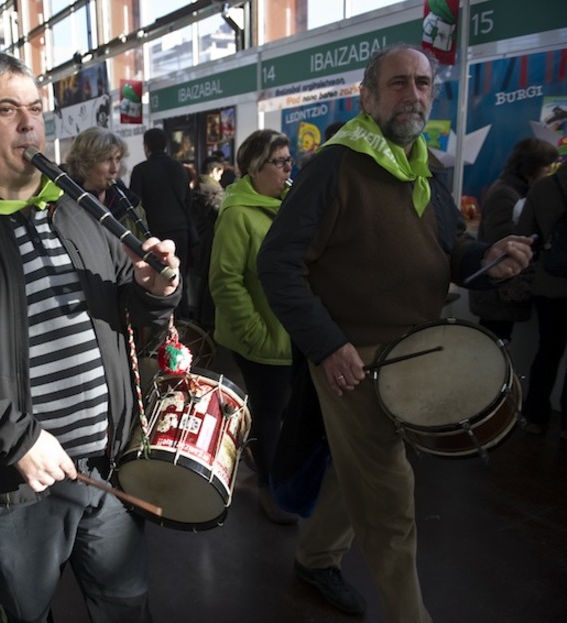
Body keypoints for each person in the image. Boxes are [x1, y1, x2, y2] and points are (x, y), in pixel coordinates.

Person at [0, 53, 180, 623]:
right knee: (29, 610)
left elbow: (135, 316)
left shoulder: (79, 210)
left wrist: (153, 288)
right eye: (7, 110)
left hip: (107, 462)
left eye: (36, 110)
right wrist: (15, 439)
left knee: (126, 602)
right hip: (18, 480)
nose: (29, 124)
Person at [257, 44, 533, 621]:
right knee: (390, 499)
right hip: (353, 360)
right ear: (367, 95)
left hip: (415, 353)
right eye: (399, 83)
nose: (414, 94)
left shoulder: (421, 164)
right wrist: (328, 345)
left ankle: (315, 556)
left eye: (423, 84)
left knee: (358, 468)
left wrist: (490, 255)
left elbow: (450, 248)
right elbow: (278, 264)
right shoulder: (336, 166)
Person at [209, 129, 297, 525]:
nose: (287, 167)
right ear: (255, 169)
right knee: (269, 411)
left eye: (288, 159)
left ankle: (277, 471)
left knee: (285, 410)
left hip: (292, 334)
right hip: (261, 337)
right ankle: (269, 486)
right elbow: (225, 281)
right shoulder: (237, 213)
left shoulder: (285, 204)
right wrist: (256, 334)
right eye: (279, 161)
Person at [469, 138, 558, 340]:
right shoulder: (506, 194)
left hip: (500, 289)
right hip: (497, 291)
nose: (548, 176)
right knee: (494, 343)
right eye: (546, 170)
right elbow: (500, 240)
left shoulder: (515, 190)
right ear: (530, 169)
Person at [515, 160, 567, 438]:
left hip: (549, 283)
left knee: (547, 351)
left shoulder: (543, 187)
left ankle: (535, 417)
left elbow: (525, 234)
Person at [130, 127, 195, 317]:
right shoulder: (179, 168)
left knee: (158, 279)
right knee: (179, 274)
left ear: (146, 146)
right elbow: (188, 200)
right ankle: (185, 320)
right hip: (181, 230)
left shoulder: (140, 170)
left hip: (154, 234)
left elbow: (135, 206)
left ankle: (166, 321)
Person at [64, 126, 148, 238]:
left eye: (117, 159)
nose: (115, 169)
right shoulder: (66, 208)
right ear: (85, 163)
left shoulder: (131, 206)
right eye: (107, 159)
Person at [190, 156, 225, 328]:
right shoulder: (213, 191)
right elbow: (220, 214)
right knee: (208, 283)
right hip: (209, 241)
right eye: (220, 173)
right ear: (214, 171)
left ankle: (200, 318)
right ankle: (206, 321)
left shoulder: (197, 188)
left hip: (198, 239)